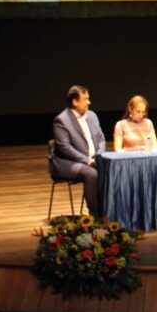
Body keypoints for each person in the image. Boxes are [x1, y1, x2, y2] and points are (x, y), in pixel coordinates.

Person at [51, 85, 106, 215]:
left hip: (92, 160)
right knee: (91, 174)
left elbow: (101, 138)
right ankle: (95, 214)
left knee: (111, 169)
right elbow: (64, 148)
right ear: (75, 102)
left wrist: (98, 155)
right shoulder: (61, 120)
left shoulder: (92, 115)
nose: (89, 102)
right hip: (68, 163)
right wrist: (87, 160)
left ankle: (109, 209)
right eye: (85, 99)